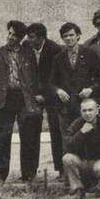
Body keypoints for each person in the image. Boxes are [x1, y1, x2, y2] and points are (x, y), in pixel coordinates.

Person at [0, 20, 43, 183]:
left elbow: (34, 76)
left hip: (24, 98)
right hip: (6, 98)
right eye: (9, 33)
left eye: (14, 35)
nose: (10, 37)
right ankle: (0, 175)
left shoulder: (28, 53)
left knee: (28, 136)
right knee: (4, 136)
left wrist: (36, 94)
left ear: (20, 37)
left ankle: (28, 174)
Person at [25, 22, 64, 177]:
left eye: (32, 37)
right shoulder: (26, 48)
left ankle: (61, 169)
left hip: (52, 96)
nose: (28, 39)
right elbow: (26, 74)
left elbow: (56, 77)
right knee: (31, 131)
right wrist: (34, 93)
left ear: (41, 37)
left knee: (56, 131)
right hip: (33, 95)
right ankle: (30, 172)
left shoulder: (55, 50)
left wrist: (46, 95)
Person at [50, 22, 100, 133]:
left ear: (78, 35)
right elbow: (51, 82)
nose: (68, 38)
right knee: (68, 138)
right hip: (66, 106)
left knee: (87, 136)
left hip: (85, 106)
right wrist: (58, 91)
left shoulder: (90, 54)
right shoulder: (58, 58)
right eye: (65, 36)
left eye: (71, 35)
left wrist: (91, 89)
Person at [61, 98, 100, 199]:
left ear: (97, 110)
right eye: (84, 111)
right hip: (83, 161)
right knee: (67, 158)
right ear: (80, 112)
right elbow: (67, 146)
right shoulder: (77, 124)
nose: (87, 113)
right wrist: (81, 133)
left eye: (90, 110)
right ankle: (77, 189)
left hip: (99, 161)